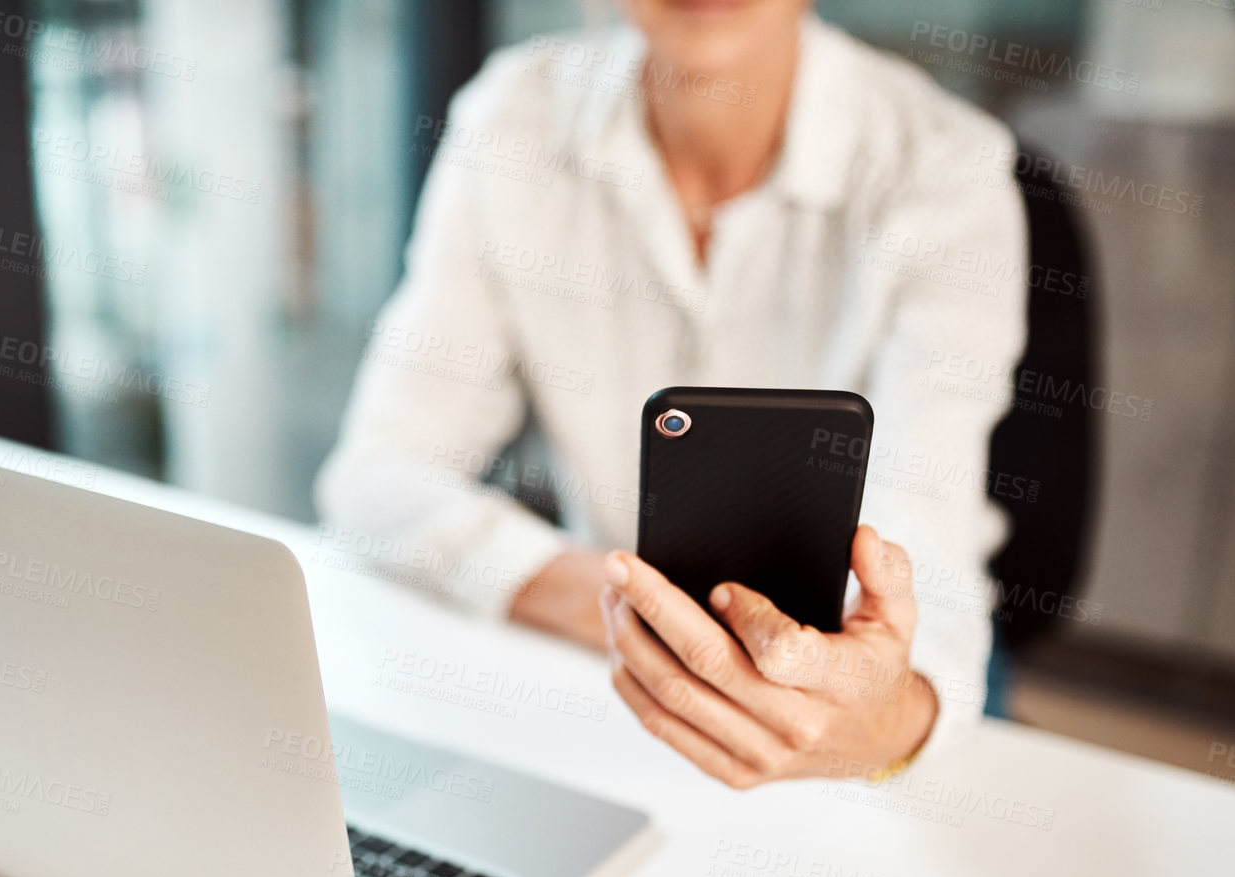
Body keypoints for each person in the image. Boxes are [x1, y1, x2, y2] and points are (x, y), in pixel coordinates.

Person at [316, 0, 1026, 787]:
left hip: (868, 683)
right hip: (611, 677)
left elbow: (931, 578)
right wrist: (625, 610)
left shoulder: (946, 168)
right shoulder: (511, 118)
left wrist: (879, 717)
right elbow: (376, 477)